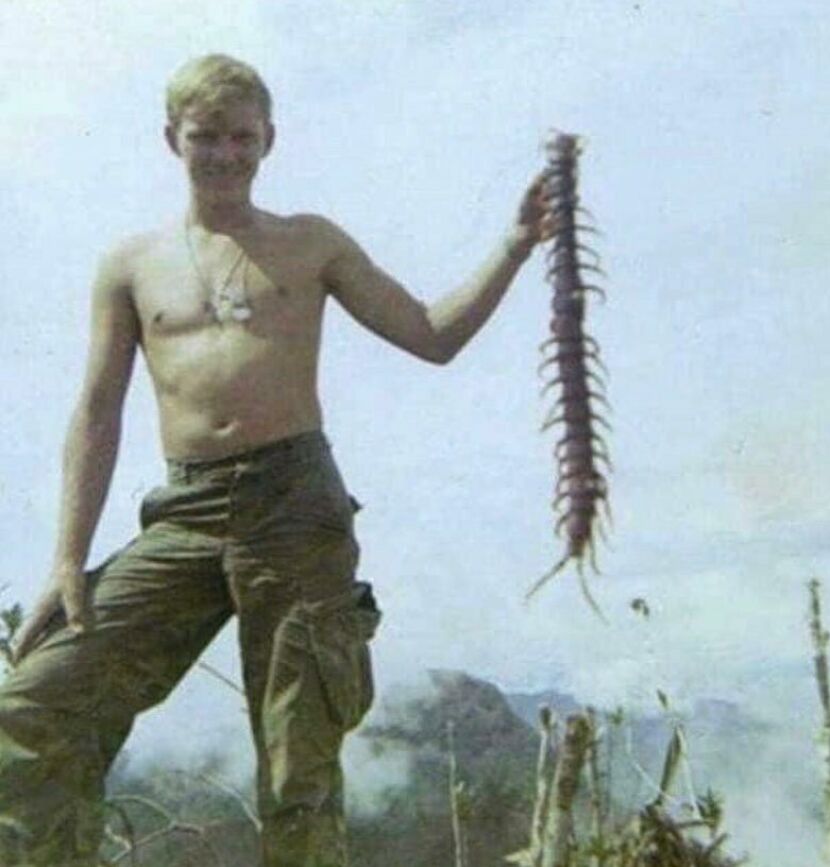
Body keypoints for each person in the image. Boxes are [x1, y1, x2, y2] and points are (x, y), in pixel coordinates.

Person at [0, 54, 558, 866]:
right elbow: (97, 411)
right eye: (205, 138)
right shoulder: (130, 264)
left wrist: (512, 245)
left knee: (299, 764)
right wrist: (67, 560)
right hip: (184, 513)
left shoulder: (310, 243)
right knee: (34, 703)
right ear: (171, 141)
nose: (224, 154)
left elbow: (433, 336)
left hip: (295, 504)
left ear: (269, 141)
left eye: (241, 137)